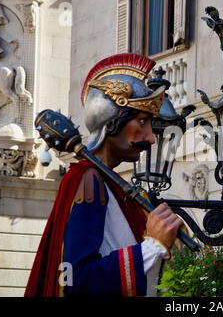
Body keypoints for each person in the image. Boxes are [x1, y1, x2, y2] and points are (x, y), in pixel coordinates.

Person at [25, 53, 184, 297]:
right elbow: (75, 279)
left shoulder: (111, 184)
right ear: (112, 123)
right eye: (142, 121)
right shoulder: (90, 180)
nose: (151, 137)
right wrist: (153, 246)